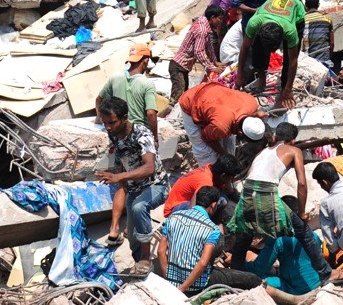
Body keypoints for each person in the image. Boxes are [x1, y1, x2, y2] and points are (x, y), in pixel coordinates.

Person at [229, 122, 334, 285]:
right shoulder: (294, 150)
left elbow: (252, 175)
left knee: (244, 234)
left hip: (248, 192)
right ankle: (325, 273)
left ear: (276, 136)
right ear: (292, 140)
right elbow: (302, 183)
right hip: (266, 192)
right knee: (303, 231)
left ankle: (235, 275)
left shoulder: (263, 152)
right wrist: (301, 212)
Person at [95, 96, 167, 270]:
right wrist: (113, 173)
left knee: (138, 208)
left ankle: (145, 259)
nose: (108, 127)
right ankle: (140, 266)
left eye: (111, 122)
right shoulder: (114, 135)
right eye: (105, 123)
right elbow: (122, 161)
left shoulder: (142, 134)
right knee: (133, 239)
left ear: (125, 118)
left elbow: (149, 167)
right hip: (134, 188)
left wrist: (120, 177)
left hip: (155, 185)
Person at [159, 185, 263, 293]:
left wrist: (169, 279)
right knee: (251, 279)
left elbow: (161, 251)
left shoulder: (173, 217)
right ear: (213, 205)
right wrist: (181, 289)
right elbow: (203, 263)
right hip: (196, 284)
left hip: (172, 279)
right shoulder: (212, 229)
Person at [175, 82, 266, 167]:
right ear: (240, 133)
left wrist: (256, 114)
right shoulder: (221, 126)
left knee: (228, 141)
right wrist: (224, 154)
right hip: (191, 99)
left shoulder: (252, 103)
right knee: (205, 151)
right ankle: (210, 174)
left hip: (214, 95)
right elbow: (206, 137)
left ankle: (227, 166)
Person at [239, 0, 306, 106]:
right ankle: (261, 78)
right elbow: (245, 47)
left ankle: (284, 89)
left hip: (296, 10)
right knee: (257, 49)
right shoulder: (254, 22)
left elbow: (293, 61)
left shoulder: (290, 31)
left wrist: (288, 88)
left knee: (288, 60)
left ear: (283, 36)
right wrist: (239, 74)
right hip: (272, 5)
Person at [247, 201, 326, 295]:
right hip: (318, 282)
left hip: (296, 289)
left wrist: (239, 263)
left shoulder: (278, 240)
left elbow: (258, 269)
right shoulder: (313, 235)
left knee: (255, 279)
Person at [96, 43, 159, 140]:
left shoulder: (115, 77)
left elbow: (99, 99)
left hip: (119, 131)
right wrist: (155, 138)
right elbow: (150, 113)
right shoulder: (147, 84)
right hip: (139, 132)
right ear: (146, 61)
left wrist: (99, 119)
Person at [169, 6, 224, 102]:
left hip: (183, 67)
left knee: (184, 95)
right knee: (177, 97)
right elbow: (199, 52)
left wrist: (215, 61)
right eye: (219, 18)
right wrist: (213, 67)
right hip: (178, 66)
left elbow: (208, 46)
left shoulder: (204, 25)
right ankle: (165, 116)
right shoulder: (202, 29)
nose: (221, 21)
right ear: (212, 18)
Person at [163, 154, 241, 218]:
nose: (230, 181)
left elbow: (229, 190)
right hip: (175, 210)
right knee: (220, 201)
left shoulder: (211, 168)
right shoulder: (205, 181)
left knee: (222, 196)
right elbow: (194, 208)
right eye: (231, 178)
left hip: (183, 202)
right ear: (223, 176)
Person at [303, 0, 335, 70]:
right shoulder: (327, 19)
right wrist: (328, 56)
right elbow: (332, 43)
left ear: (305, 5)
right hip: (324, 59)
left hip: (307, 60)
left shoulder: (302, 20)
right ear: (318, 5)